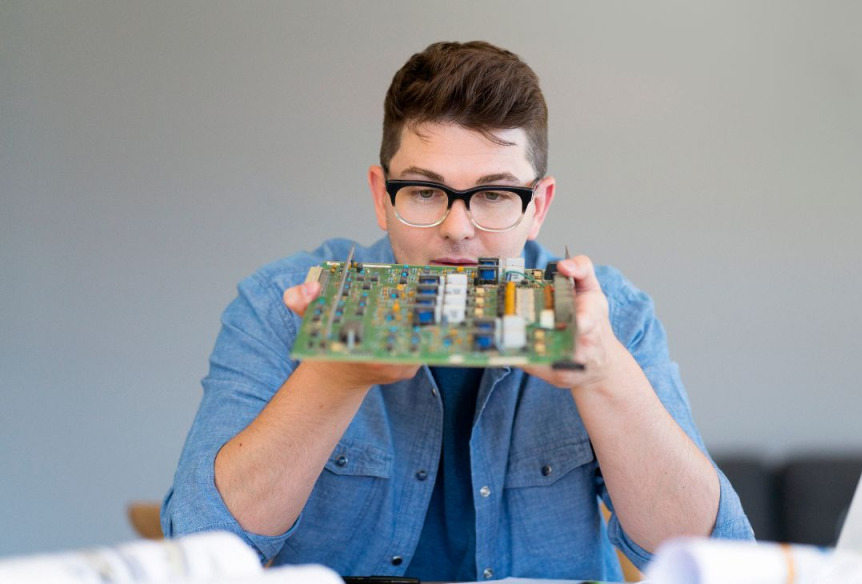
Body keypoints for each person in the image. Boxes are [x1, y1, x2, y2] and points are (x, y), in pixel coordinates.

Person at [162, 40, 753, 581]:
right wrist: (332, 375)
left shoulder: (609, 315)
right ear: (381, 197)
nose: (458, 229)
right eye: (424, 191)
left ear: (538, 206)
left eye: (495, 194)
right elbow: (199, 546)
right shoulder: (281, 303)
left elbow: (716, 560)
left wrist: (605, 376)